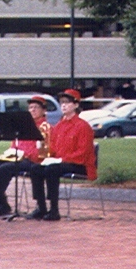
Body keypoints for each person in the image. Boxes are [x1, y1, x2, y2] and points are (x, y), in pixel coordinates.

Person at [27, 88, 96, 221]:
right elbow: (53, 147)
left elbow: (82, 153)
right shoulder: (59, 125)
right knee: (35, 168)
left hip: (79, 164)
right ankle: (41, 207)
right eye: (62, 102)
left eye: (67, 102)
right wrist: (47, 156)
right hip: (60, 162)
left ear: (76, 105)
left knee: (52, 170)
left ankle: (54, 210)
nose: (63, 105)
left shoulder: (83, 126)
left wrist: (60, 160)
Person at [0, 95, 52, 216]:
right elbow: (14, 145)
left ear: (43, 111)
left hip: (32, 160)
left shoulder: (45, 127)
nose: (32, 110)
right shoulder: (23, 124)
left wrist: (23, 155)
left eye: (36, 107)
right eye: (30, 107)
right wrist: (7, 154)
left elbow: (42, 151)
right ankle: (3, 204)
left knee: (4, 169)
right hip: (17, 158)